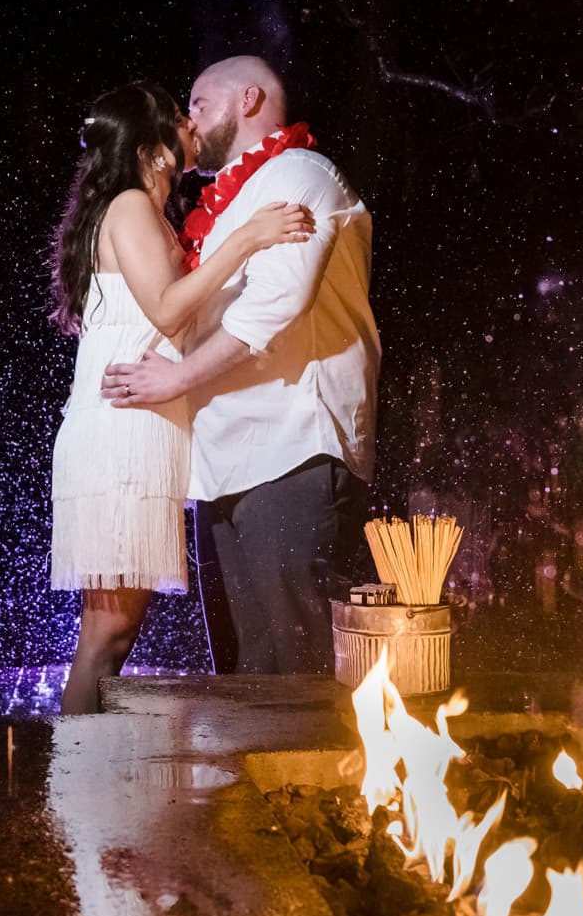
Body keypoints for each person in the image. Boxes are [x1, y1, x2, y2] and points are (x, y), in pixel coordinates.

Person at [102, 56, 380, 674]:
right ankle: (251, 775)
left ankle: (307, 774)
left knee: (288, 664)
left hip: (290, 448)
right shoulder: (229, 201)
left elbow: (275, 304)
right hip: (224, 459)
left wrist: (173, 378)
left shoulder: (300, 172)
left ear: (248, 100)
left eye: (198, 104)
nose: (187, 122)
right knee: (238, 670)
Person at [48, 80, 315, 714]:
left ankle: (86, 776)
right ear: (156, 147)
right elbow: (168, 314)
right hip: (122, 430)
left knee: (115, 632)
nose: (192, 127)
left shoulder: (145, 211)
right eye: (180, 118)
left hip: (141, 428)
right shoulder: (130, 208)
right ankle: (76, 778)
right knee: (106, 632)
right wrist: (248, 238)